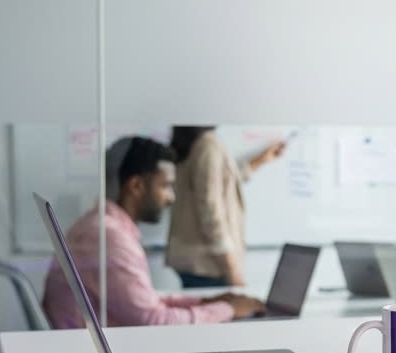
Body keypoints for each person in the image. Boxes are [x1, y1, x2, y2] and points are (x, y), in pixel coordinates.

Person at [43, 137, 265, 328]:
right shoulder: (109, 237)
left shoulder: (102, 226)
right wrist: (227, 310)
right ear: (136, 186)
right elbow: (153, 319)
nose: (171, 197)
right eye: (166, 186)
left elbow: (145, 301)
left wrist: (205, 302)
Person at [165, 126, 285, 288]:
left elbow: (223, 186)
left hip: (195, 260)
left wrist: (261, 160)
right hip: (210, 264)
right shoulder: (207, 145)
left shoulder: (191, 143)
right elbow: (210, 211)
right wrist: (231, 269)